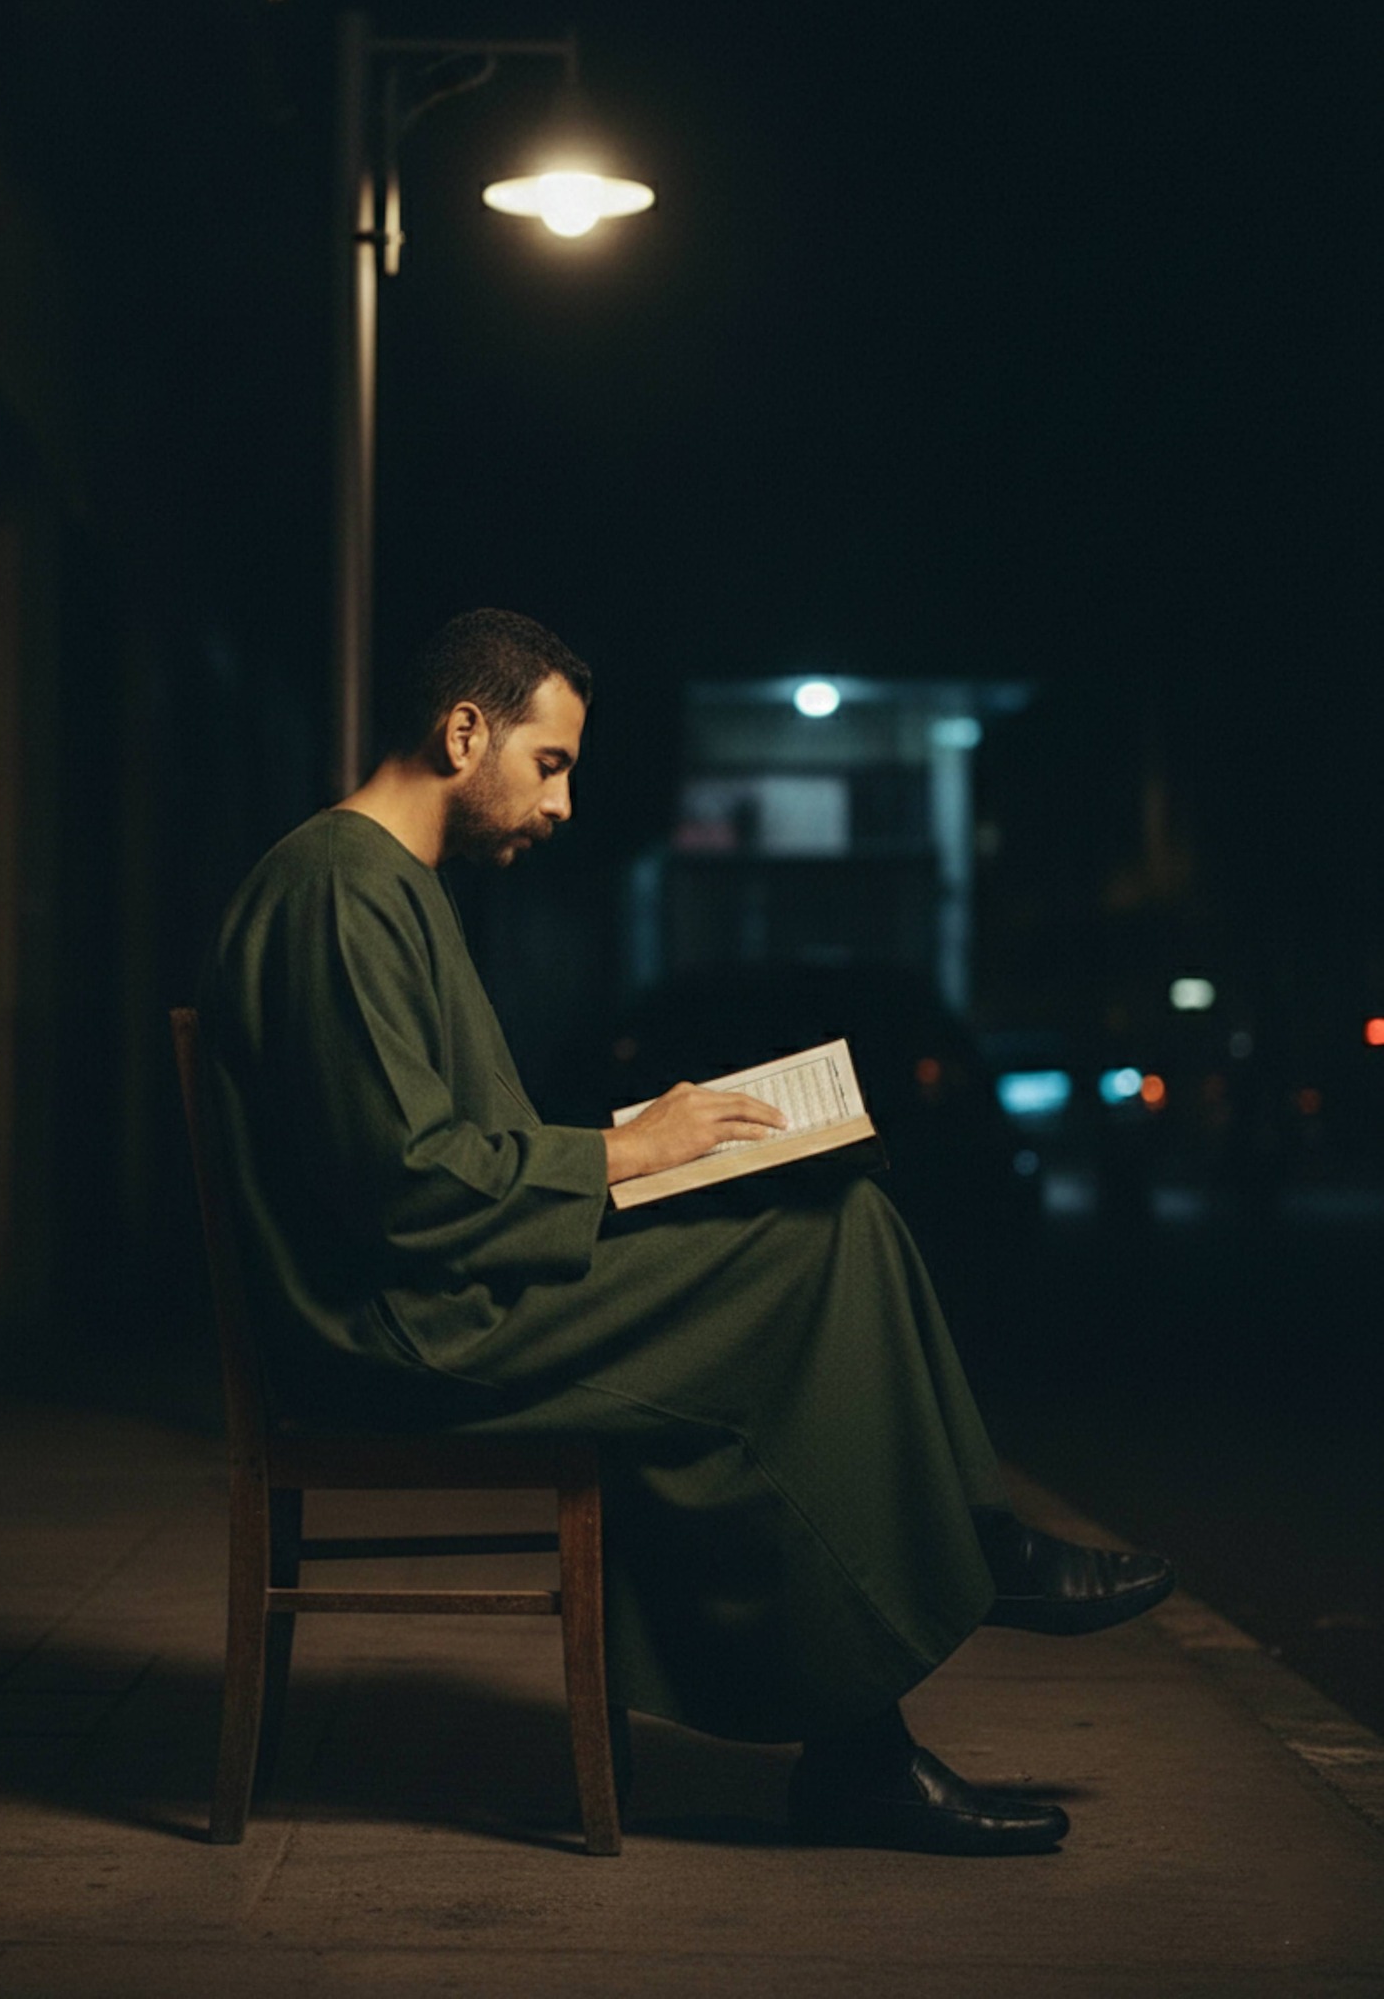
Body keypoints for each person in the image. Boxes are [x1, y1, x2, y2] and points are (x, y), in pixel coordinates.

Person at [199, 608, 1174, 1857]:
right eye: (549, 763)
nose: (561, 802)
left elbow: (430, 1154)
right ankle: (933, 1628)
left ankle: (923, 1644)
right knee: (811, 1252)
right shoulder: (340, 889)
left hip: (453, 1289)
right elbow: (406, 1185)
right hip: (406, 1327)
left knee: (836, 1210)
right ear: (462, 732)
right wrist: (622, 1152)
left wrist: (646, 1147)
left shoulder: (385, 888)